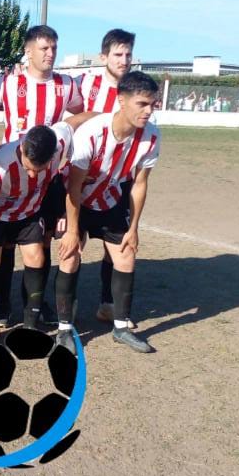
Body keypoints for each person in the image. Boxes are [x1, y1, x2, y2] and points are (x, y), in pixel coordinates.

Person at [0, 25, 83, 329]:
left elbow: (80, 113)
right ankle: (1, 304)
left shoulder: (66, 85)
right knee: (6, 243)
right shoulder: (10, 82)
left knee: (43, 240)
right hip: (15, 173)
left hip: (49, 176)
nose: (50, 53)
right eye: (43, 48)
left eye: (53, 47)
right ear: (28, 51)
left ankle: (35, 305)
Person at [56, 71, 161, 354]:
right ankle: (64, 330)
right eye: (142, 104)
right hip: (78, 200)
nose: (149, 111)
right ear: (121, 101)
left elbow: (139, 184)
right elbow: (74, 185)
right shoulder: (92, 131)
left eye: (153, 104)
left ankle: (120, 327)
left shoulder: (151, 136)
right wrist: (73, 230)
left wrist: (134, 227)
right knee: (70, 255)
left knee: (126, 255)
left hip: (112, 200)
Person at [0, 123, 73, 354]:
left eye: (39, 170)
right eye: (29, 168)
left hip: (28, 213)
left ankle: (30, 328)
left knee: (37, 257)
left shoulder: (58, 145)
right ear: (22, 148)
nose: (32, 175)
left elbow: (73, 123)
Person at [74, 28, 137, 326]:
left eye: (127, 54)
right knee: (74, 241)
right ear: (104, 57)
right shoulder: (85, 84)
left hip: (119, 181)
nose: (123, 60)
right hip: (84, 178)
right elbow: (68, 118)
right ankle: (68, 305)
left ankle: (107, 303)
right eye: (117, 54)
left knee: (115, 246)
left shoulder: (136, 90)